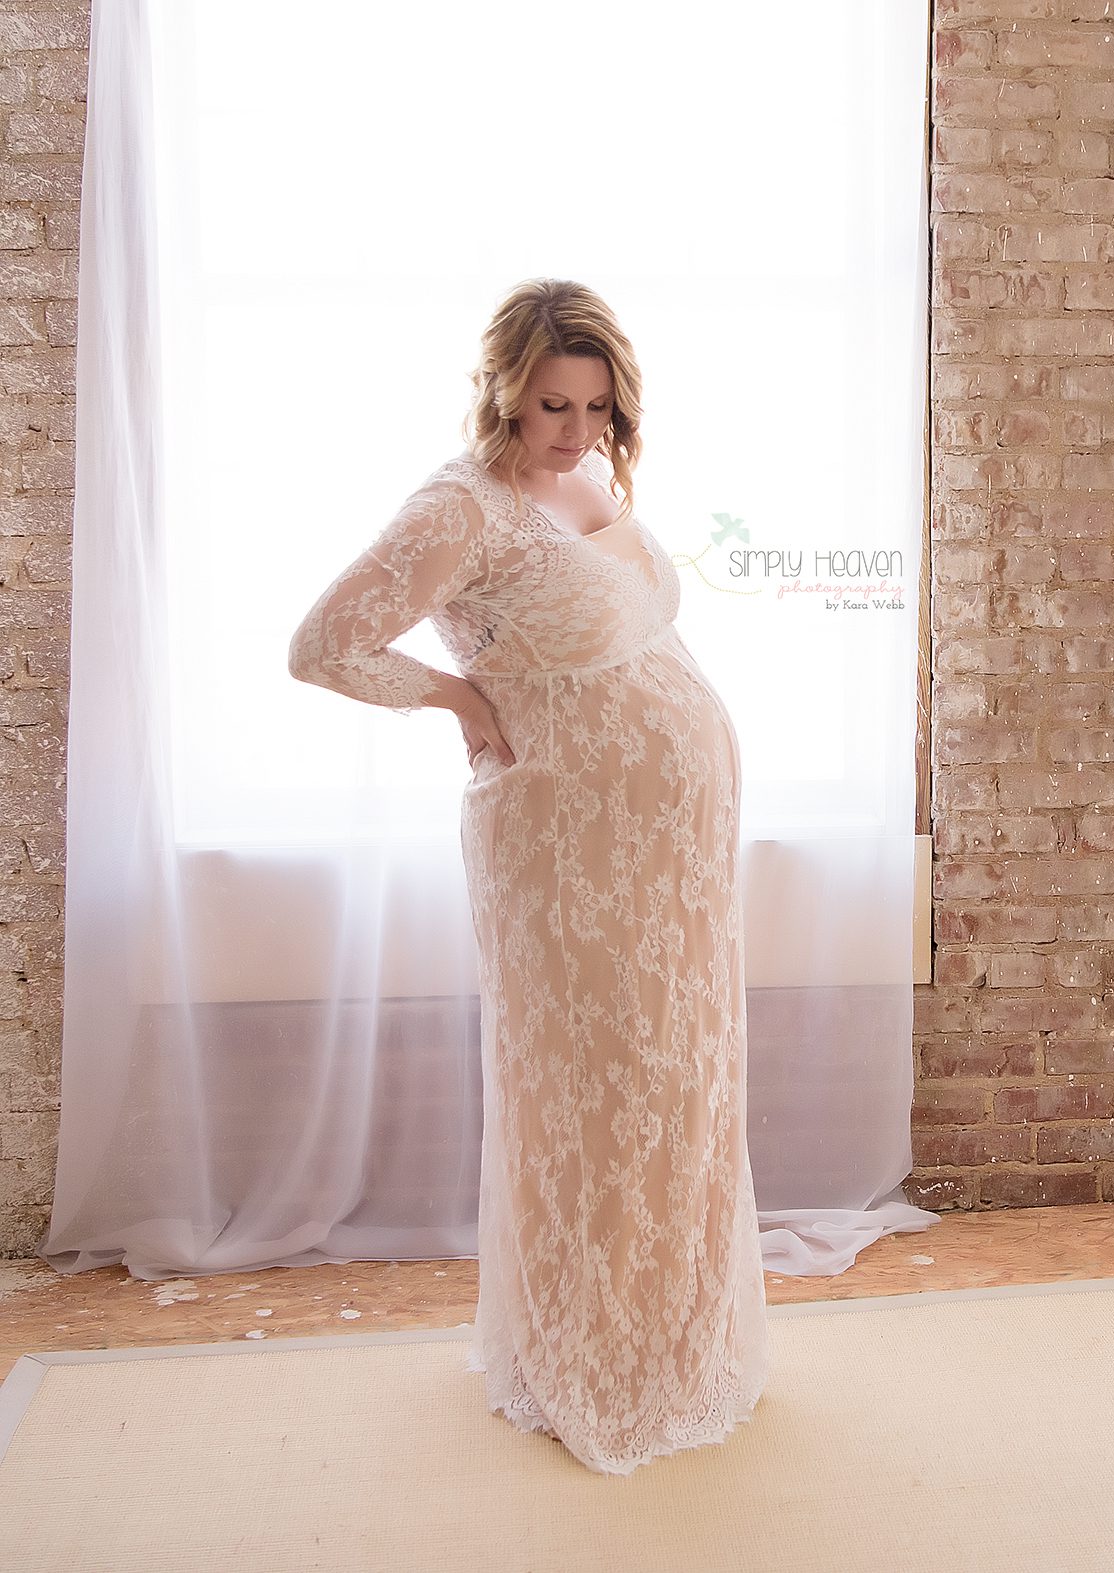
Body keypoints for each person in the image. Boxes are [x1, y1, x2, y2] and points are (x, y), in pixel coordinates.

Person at [286, 278, 769, 1474]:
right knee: (592, 1086)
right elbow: (322, 643)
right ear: (502, 388)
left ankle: (669, 1340)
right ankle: (585, 1354)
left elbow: (636, 636)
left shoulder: (593, 479)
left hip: (670, 842)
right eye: (552, 403)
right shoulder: (460, 509)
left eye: (596, 408)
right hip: (563, 839)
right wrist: (453, 692)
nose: (574, 429)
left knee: (673, 1077)